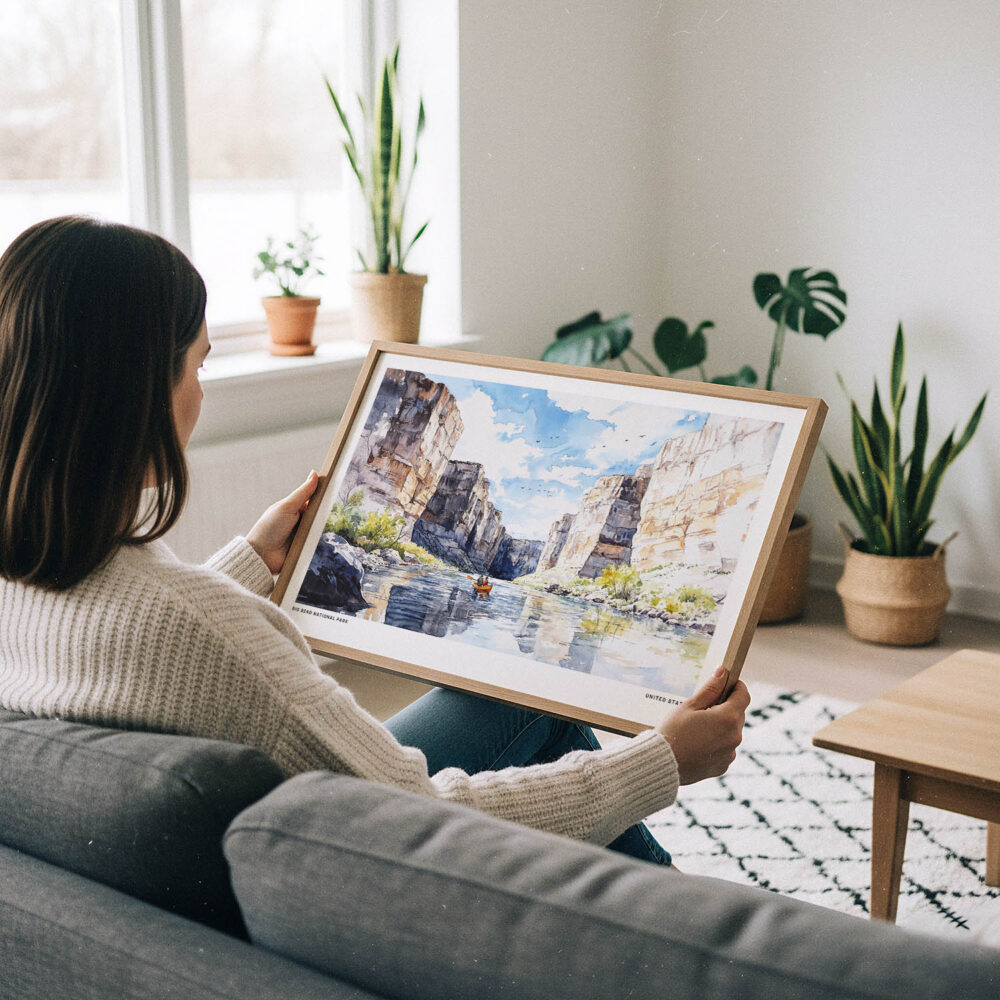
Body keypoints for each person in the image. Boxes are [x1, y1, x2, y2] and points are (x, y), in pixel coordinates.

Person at [0, 216, 749, 866]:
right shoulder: (207, 630)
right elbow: (419, 816)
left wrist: (250, 563)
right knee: (547, 719)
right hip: (357, 861)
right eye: (198, 365)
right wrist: (660, 761)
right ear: (136, 394)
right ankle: (695, 935)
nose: (203, 392)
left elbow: (140, 637)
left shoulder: (28, 580)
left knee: (507, 701)